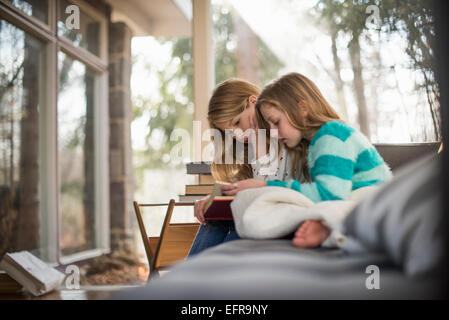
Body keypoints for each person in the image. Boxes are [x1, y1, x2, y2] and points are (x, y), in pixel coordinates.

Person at [222, 72, 393, 248]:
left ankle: (328, 227)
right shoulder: (312, 145)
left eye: (276, 122)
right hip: (351, 202)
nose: (273, 131)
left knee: (269, 211)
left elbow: (330, 195)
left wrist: (266, 187)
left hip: (375, 201)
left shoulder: (333, 134)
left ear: (302, 108)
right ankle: (329, 227)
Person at [188, 78, 295, 257]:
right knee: (213, 218)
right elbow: (257, 189)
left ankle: (200, 279)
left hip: (284, 215)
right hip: (265, 213)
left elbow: (279, 190)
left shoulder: (286, 133)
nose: (238, 134)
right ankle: (191, 280)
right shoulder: (255, 145)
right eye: (230, 131)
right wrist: (216, 199)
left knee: (241, 229)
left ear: (253, 101)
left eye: (237, 122)